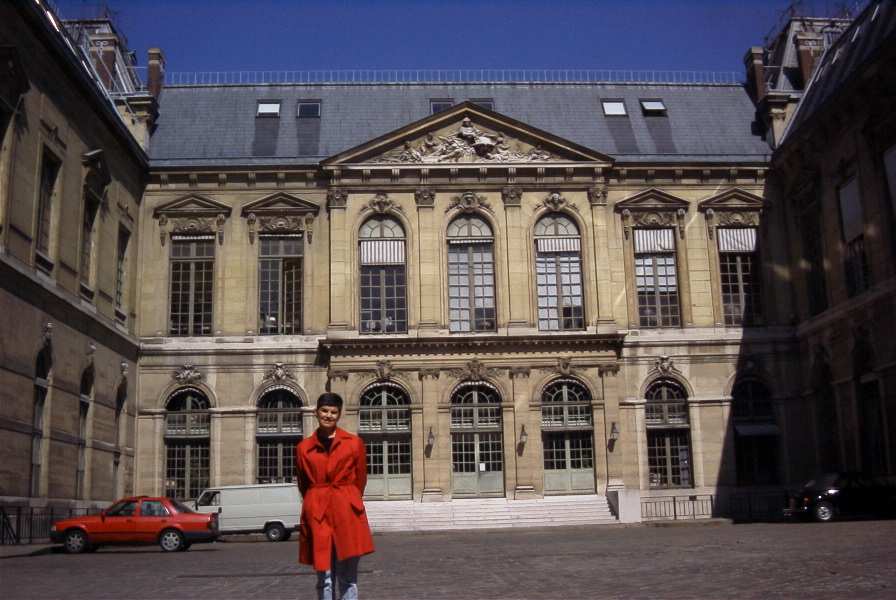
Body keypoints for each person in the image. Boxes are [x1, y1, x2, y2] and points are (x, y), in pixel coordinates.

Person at [296, 392, 374, 600]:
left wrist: (348, 498)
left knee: (348, 577)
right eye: (324, 411)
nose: (328, 416)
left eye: (333, 412)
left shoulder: (354, 443)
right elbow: (303, 482)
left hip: (346, 511)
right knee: (325, 577)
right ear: (316, 412)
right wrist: (315, 498)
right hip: (318, 513)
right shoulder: (303, 448)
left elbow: (360, 479)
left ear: (339, 415)